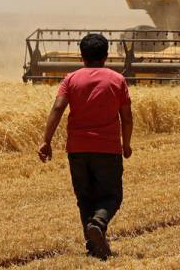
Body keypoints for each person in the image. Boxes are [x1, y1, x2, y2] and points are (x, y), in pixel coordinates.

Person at [38, 33, 133, 260]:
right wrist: (126, 144)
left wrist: (46, 140)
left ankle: (93, 246)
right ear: (106, 56)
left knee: (85, 198)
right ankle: (98, 224)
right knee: (111, 196)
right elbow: (127, 117)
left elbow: (58, 108)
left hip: (77, 149)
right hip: (108, 149)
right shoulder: (117, 80)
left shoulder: (70, 79)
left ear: (82, 56)